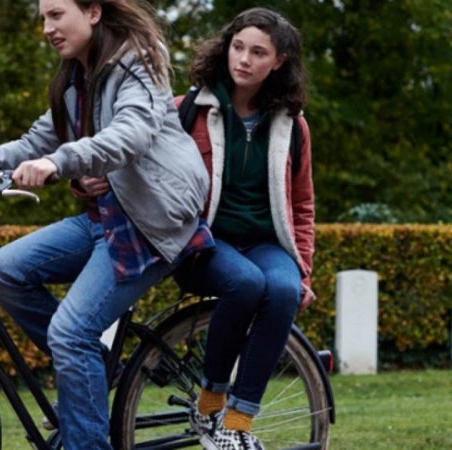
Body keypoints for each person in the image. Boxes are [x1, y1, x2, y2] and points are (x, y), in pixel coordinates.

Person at [0, 0, 209, 448]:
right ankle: (91, 368)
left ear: (92, 12)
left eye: (56, 14)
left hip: (149, 223)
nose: (47, 28)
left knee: (70, 333)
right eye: (43, 18)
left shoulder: (138, 64)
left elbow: (131, 133)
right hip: (103, 218)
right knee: (3, 271)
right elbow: (34, 142)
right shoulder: (75, 79)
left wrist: (59, 162)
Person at [174, 7, 316, 450]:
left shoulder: (292, 125)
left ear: (278, 62)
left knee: (284, 290)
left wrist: (303, 270)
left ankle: (236, 423)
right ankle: (211, 401)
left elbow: (302, 205)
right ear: (226, 47)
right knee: (246, 283)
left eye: (258, 53)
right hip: (204, 244)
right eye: (238, 47)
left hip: (264, 244)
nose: (244, 59)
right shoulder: (188, 110)